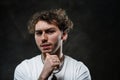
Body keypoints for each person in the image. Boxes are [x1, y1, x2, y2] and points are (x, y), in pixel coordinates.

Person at [14, 8, 91, 80]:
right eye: (39, 33)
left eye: (50, 31)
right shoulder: (24, 69)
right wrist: (43, 76)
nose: (43, 38)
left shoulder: (79, 69)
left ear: (64, 35)